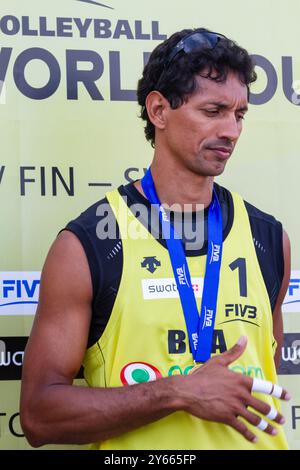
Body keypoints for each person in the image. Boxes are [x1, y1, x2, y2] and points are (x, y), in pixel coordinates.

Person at [20, 27, 291, 450]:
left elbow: (265, 367)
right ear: (159, 111)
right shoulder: (87, 244)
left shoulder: (269, 237)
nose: (232, 131)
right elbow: (38, 416)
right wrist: (177, 391)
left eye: (239, 115)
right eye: (214, 110)